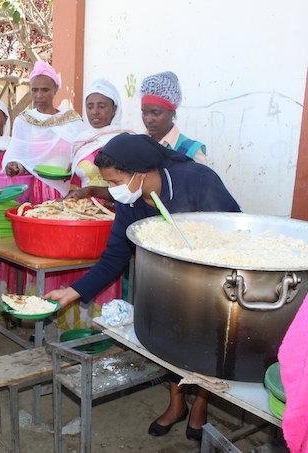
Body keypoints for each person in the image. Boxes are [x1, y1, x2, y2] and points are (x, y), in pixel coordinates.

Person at [45, 133, 241, 442]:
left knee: (204, 346)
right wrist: (71, 293)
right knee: (170, 343)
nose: (112, 191)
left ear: (141, 171)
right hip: (162, 284)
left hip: (210, 283)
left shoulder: (197, 181)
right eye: (108, 183)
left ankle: (201, 402)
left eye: (115, 181)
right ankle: (176, 402)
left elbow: (234, 231)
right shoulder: (130, 202)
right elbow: (113, 258)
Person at [2, 60, 88, 203]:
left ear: (55, 90)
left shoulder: (71, 121)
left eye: (45, 90)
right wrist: (15, 166)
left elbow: (84, 153)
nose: (39, 95)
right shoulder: (24, 121)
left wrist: (73, 168)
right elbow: (19, 156)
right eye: (34, 90)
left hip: (71, 189)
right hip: (38, 188)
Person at [69, 79, 132, 196]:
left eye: (101, 106)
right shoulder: (81, 140)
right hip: (82, 209)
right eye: (90, 106)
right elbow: (75, 181)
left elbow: (131, 186)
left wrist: (92, 191)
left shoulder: (126, 140)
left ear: (114, 109)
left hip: (115, 210)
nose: (94, 112)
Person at [140, 71, 207, 165]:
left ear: (172, 112)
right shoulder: (138, 144)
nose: (148, 119)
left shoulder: (191, 152)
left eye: (155, 113)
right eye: (144, 113)